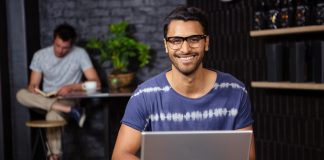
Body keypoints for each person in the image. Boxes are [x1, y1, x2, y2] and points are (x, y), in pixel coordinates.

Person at [112, 6, 255, 160]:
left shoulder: (236, 91)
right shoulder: (144, 96)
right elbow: (120, 155)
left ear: (206, 42)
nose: (185, 49)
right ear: (166, 45)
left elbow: (247, 156)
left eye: (194, 39)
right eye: (176, 41)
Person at [16, 23, 101, 160]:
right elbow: (33, 84)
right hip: (44, 100)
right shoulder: (40, 55)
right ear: (53, 41)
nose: (60, 50)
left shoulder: (80, 54)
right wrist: (33, 88)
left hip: (68, 98)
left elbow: (96, 83)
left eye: (65, 48)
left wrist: (71, 87)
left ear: (71, 45)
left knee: (52, 115)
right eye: (58, 46)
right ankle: (71, 110)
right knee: (21, 94)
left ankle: (54, 157)